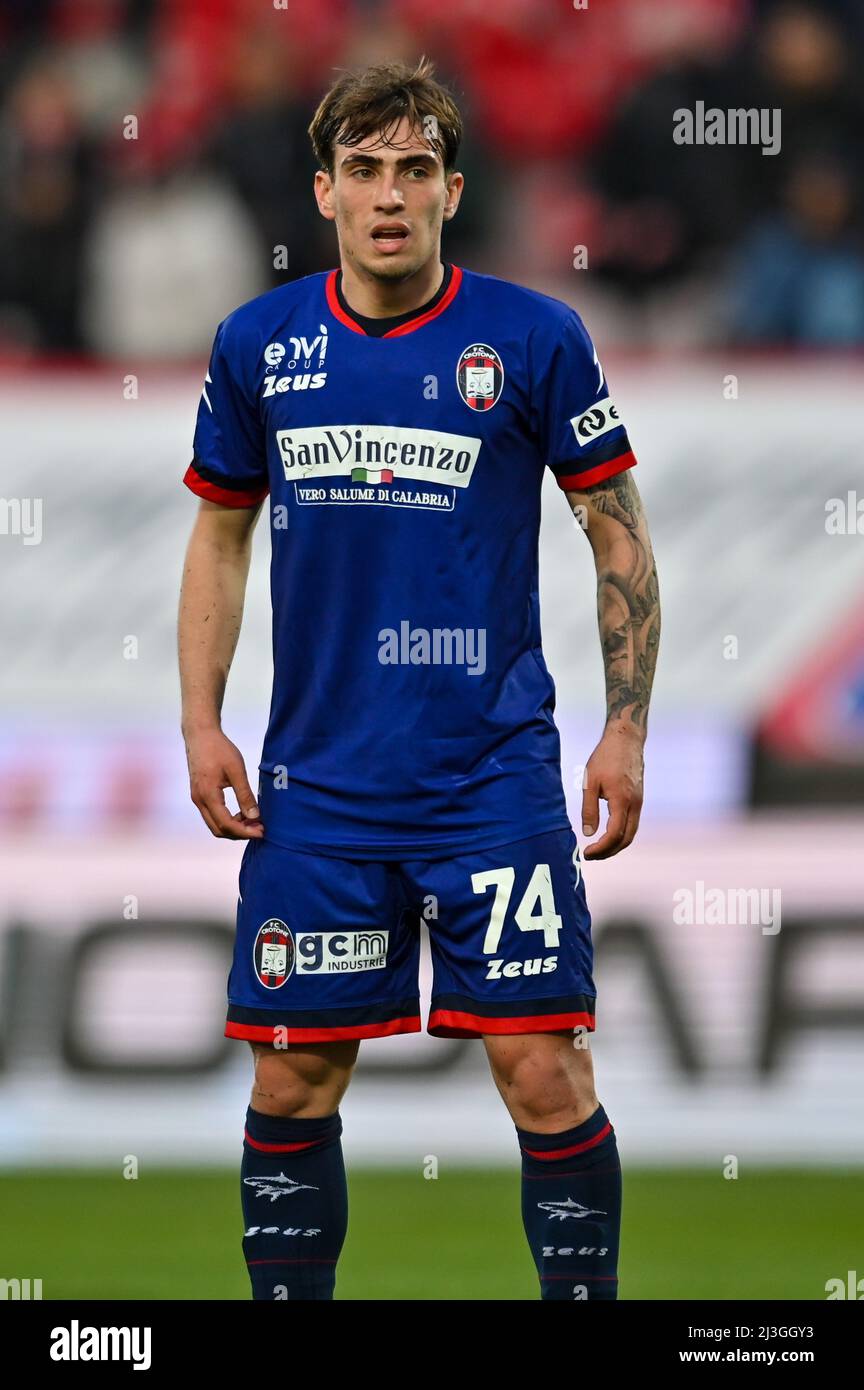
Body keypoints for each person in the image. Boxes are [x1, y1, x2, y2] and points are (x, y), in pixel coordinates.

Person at [178, 57, 660, 1302]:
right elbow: (221, 535)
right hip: (320, 785)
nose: (389, 196)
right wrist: (199, 720)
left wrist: (624, 729)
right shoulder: (258, 347)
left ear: (451, 190)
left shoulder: (534, 338)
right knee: (292, 1078)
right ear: (325, 192)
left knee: (542, 1071)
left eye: (415, 171)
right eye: (364, 171)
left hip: (491, 778)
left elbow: (615, 525)